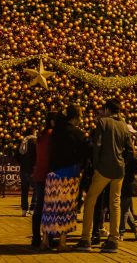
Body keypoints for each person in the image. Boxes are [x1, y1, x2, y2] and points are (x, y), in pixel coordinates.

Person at [75, 98, 131, 254]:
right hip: (119, 170)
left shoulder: (103, 122)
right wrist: (122, 163)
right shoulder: (124, 126)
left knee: (90, 200)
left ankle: (85, 238)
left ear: (107, 109)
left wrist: (96, 164)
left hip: (103, 168)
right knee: (115, 203)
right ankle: (113, 239)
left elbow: (97, 145)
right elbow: (129, 149)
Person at [41, 105, 90, 250]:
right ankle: (62, 242)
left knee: (50, 207)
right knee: (66, 208)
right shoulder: (77, 134)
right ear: (74, 118)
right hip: (69, 175)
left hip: (52, 174)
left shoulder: (56, 131)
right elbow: (85, 152)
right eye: (79, 117)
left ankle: (45, 240)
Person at [31, 112, 58, 248]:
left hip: (39, 173)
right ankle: (49, 238)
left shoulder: (41, 135)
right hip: (48, 174)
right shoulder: (52, 135)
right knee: (50, 208)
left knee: (39, 207)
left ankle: (36, 237)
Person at [119, 126, 137, 241]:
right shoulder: (130, 151)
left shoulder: (125, 150)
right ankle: (135, 229)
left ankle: (121, 233)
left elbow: (136, 168)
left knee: (124, 209)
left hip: (125, 183)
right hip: (126, 182)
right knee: (125, 208)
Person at [14, 134, 36, 215]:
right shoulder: (35, 142)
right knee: (36, 188)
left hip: (24, 169)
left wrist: (22, 163)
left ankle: (24, 210)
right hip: (33, 169)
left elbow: (16, 155)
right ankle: (33, 208)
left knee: (24, 190)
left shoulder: (22, 142)